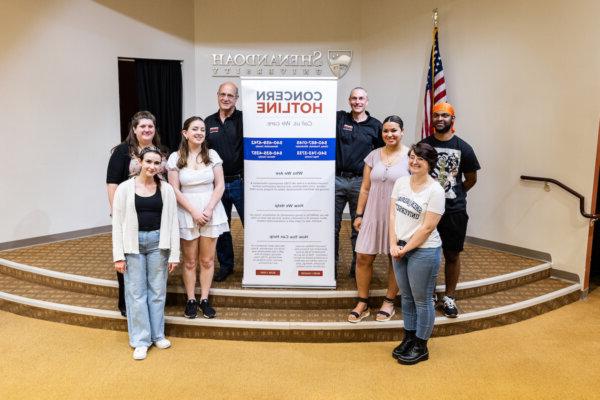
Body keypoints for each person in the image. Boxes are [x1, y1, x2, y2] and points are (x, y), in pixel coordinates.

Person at [111, 146, 180, 361]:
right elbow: (117, 224)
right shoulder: (124, 188)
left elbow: (173, 222)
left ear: (161, 165)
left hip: (158, 244)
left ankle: (157, 334)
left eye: (156, 163)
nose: (152, 166)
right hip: (133, 244)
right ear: (139, 162)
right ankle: (141, 340)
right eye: (148, 161)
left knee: (157, 292)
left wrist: (174, 254)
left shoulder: (166, 189)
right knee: (136, 293)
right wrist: (118, 256)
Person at [420, 102, 480, 317]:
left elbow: (471, 178)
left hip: (454, 210)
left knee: (452, 254)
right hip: (426, 210)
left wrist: (456, 193)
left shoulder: (464, 147)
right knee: (425, 253)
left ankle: (449, 297)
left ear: (452, 119)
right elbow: (415, 173)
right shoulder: (423, 145)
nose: (439, 119)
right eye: (436, 115)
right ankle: (428, 294)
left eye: (444, 115)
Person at [348, 115, 409, 323]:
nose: (389, 134)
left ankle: (389, 301)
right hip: (372, 213)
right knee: (363, 257)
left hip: (398, 216)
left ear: (402, 132)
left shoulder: (411, 155)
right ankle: (362, 302)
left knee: (396, 259)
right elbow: (365, 188)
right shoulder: (373, 155)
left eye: (394, 130)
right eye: (385, 131)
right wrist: (358, 214)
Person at [167, 116, 229, 319]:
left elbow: (219, 185)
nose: (199, 133)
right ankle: (191, 300)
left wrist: (209, 209)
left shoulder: (212, 154)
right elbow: (174, 189)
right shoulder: (175, 158)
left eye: (202, 129)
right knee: (190, 262)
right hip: (187, 212)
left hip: (211, 211)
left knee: (208, 260)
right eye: (195, 129)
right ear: (185, 133)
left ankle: (204, 299)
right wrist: (193, 211)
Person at [389, 143, 445, 365]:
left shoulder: (436, 190)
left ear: (429, 163)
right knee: (407, 297)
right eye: (411, 157)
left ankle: (421, 345)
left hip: (423, 250)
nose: (413, 161)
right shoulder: (401, 182)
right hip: (400, 248)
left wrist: (404, 249)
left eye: (419, 158)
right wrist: (393, 244)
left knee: (422, 300)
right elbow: (392, 216)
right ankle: (409, 338)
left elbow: (427, 228)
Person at [106, 111, 165, 317]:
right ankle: (125, 303)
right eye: (142, 126)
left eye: (150, 126)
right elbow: (112, 183)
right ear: (134, 129)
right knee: (127, 261)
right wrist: (116, 213)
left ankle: (149, 305)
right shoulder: (122, 151)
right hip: (128, 213)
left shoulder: (160, 151)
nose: (147, 130)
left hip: (153, 212)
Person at [335, 87, 384, 278]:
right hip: (337, 180)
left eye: (361, 98)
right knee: (333, 226)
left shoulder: (376, 126)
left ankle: (357, 269)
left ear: (367, 101)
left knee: (359, 227)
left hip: (361, 183)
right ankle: (331, 267)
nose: (357, 102)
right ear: (349, 101)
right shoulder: (340, 119)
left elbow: (382, 154)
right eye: (354, 98)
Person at [204, 82, 244, 282]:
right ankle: (226, 265)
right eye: (223, 94)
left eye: (230, 95)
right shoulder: (208, 122)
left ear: (236, 98)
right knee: (222, 227)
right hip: (216, 185)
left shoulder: (244, 120)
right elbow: (203, 153)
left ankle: (255, 266)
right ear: (217, 95)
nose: (226, 98)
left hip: (241, 182)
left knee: (251, 225)